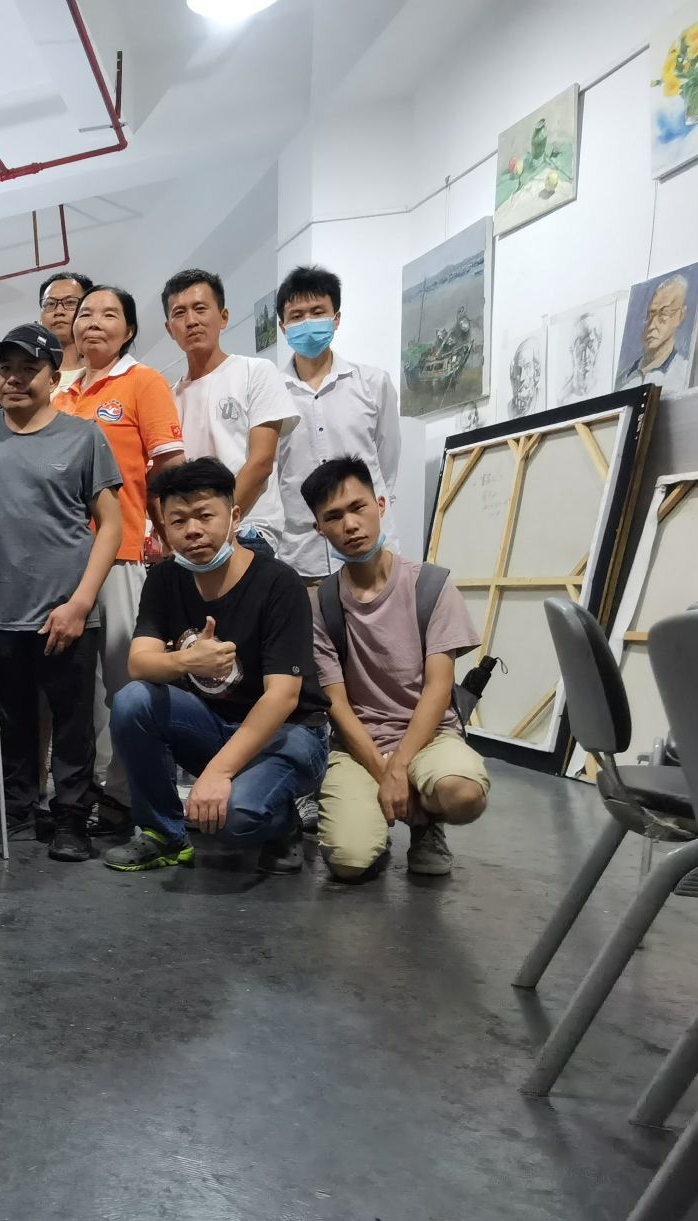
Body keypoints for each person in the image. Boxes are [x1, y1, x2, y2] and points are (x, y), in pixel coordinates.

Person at [0, 322, 122, 862]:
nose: (14, 379)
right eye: (5, 369)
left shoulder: (84, 436)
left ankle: (71, 817)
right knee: (12, 716)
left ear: (53, 377)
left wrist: (81, 603)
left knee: (73, 722)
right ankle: (16, 809)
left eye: (29, 369)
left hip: (65, 611)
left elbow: (110, 525)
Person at [105, 458, 330, 873]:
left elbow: (283, 697)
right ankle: (163, 834)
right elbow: (139, 664)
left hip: (288, 733)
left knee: (232, 820)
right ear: (165, 529)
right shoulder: (165, 579)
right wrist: (187, 660)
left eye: (205, 516)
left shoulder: (279, 583)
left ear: (234, 517)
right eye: (178, 521)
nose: (192, 530)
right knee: (133, 700)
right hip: (214, 726)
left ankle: (282, 820)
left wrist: (216, 774)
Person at [300, 457, 489, 880]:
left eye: (358, 507)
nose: (350, 525)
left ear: (380, 505)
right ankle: (378, 818)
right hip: (359, 744)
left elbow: (438, 689)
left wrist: (399, 767)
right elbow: (336, 704)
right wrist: (384, 773)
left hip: (430, 736)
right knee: (348, 862)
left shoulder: (431, 586)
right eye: (334, 517)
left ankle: (426, 825)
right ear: (319, 529)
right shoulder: (321, 604)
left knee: (464, 795)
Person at [52, 284, 185, 843]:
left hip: (123, 552)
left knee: (125, 682)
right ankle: (82, 792)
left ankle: (127, 795)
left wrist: (163, 530)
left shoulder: (143, 382)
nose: (93, 322)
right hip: (64, 560)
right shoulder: (60, 393)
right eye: (85, 313)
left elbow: (170, 467)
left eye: (109, 314)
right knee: (76, 690)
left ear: (129, 330)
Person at [273, 265, 402, 581]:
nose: (308, 322)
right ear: (283, 327)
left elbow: (386, 463)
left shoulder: (373, 384)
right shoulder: (271, 394)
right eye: (297, 315)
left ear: (336, 318)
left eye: (318, 312)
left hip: (371, 549)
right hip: (301, 555)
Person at [163, 269, 300, 563]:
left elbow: (261, 462)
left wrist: (218, 526)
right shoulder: (168, 397)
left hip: (247, 530)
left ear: (223, 317)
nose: (191, 320)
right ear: (169, 329)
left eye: (201, 308)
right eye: (179, 313)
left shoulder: (255, 372)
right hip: (190, 540)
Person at [616, 272, 694, 391]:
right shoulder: (622, 380)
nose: (652, 325)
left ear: (681, 315)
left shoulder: (682, 373)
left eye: (664, 314)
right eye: (651, 315)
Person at [39, 271, 93, 392]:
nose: (59, 311)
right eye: (50, 304)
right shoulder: (29, 377)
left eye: (70, 302)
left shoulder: (111, 372)